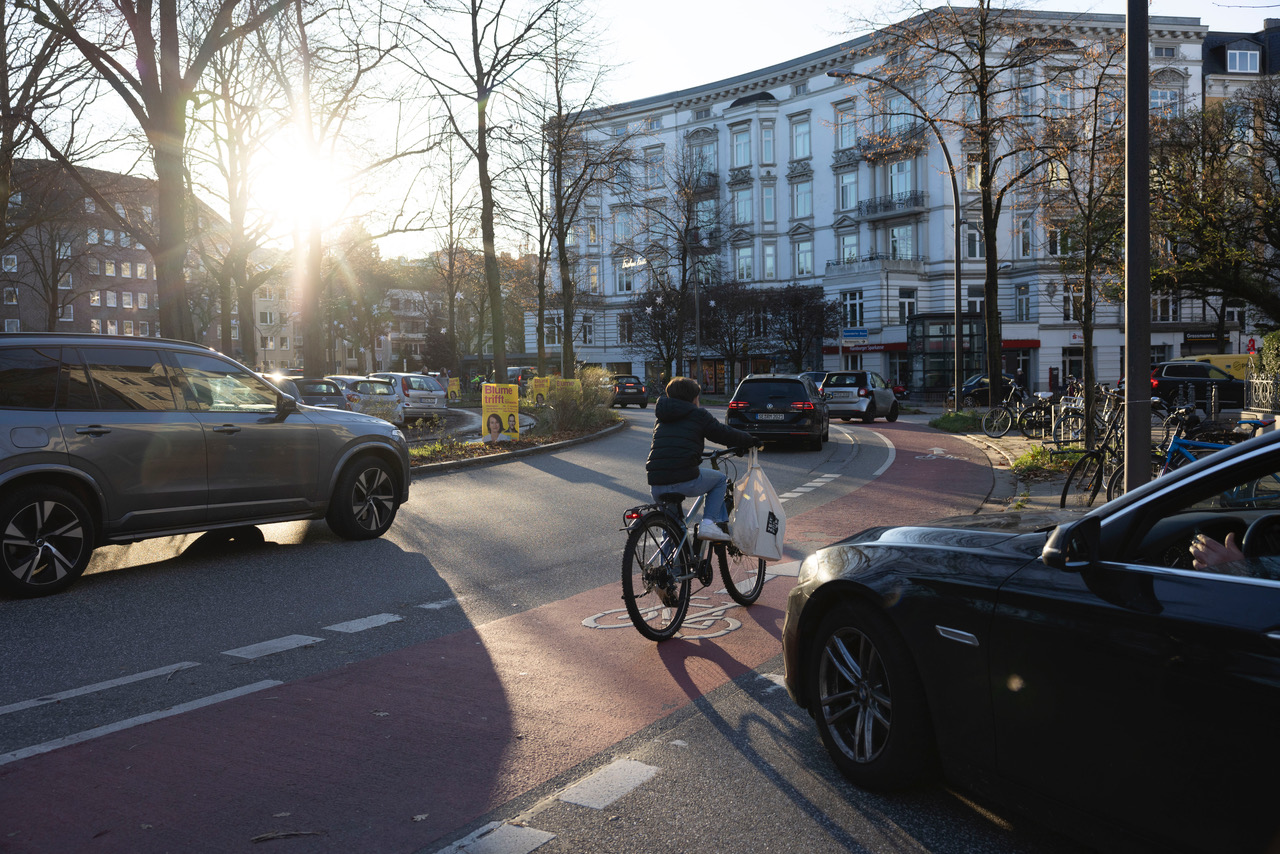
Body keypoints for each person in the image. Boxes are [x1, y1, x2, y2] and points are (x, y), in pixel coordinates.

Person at [646, 376, 758, 542]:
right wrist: (750, 440)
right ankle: (708, 523)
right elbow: (722, 433)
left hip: (657, 483)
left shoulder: (662, 416)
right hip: (683, 478)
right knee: (720, 480)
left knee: (672, 528)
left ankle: (671, 568)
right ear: (693, 397)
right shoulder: (697, 414)